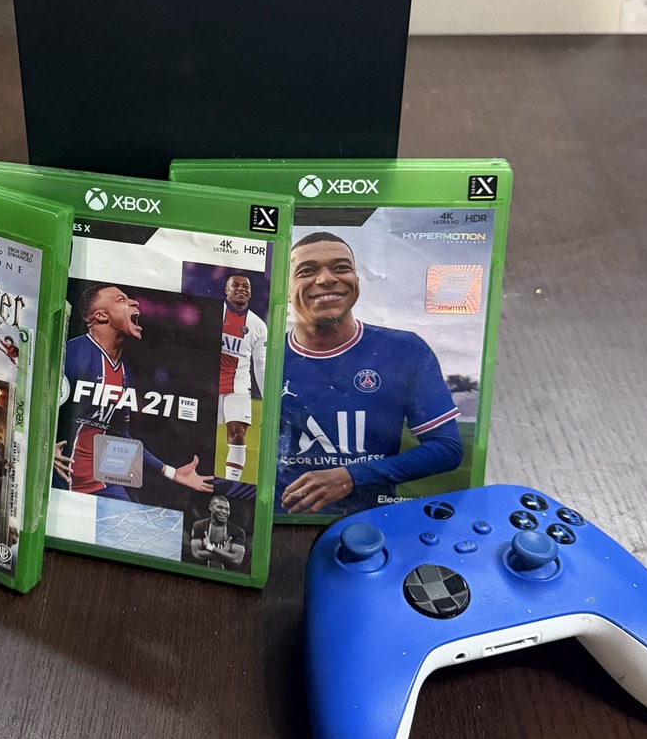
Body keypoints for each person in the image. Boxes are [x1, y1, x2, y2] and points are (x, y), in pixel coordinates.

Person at [278, 231, 463, 517]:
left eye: (341, 268)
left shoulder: (405, 349)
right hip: (283, 521)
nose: (326, 279)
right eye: (307, 271)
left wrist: (352, 476)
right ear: (285, 291)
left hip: (377, 520)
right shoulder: (265, 356)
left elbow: (447, 448)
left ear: (357, 281)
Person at [55, 282, 213, 499]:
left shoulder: (124, 372)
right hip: (63, 481)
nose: (135, 302)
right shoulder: (74, 355)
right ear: (101, 316)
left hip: (102, 484)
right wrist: (44, 448)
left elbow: (120, 436)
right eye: (121, 300)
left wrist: (172, 472)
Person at [215, 273, 268, 483]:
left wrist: (267, 401)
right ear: (226, 290)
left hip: (238, 384)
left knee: (237, 434)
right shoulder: (214, 313)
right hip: (209, 383)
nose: (241, 289)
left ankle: (231, 483)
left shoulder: (258, 325)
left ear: (251, 292)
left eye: (246, 286)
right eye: (235, 285)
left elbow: (261, 365)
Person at [189, 493, 247, 570]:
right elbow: (196, 554)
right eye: (220, 507)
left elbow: (236, 559)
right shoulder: (199, 525)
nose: (224, 512)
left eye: (227, 509)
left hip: (225, 574)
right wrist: (223, 552)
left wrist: (211, 547)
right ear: (210, 507)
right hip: (201, 572)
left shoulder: (237, 531)